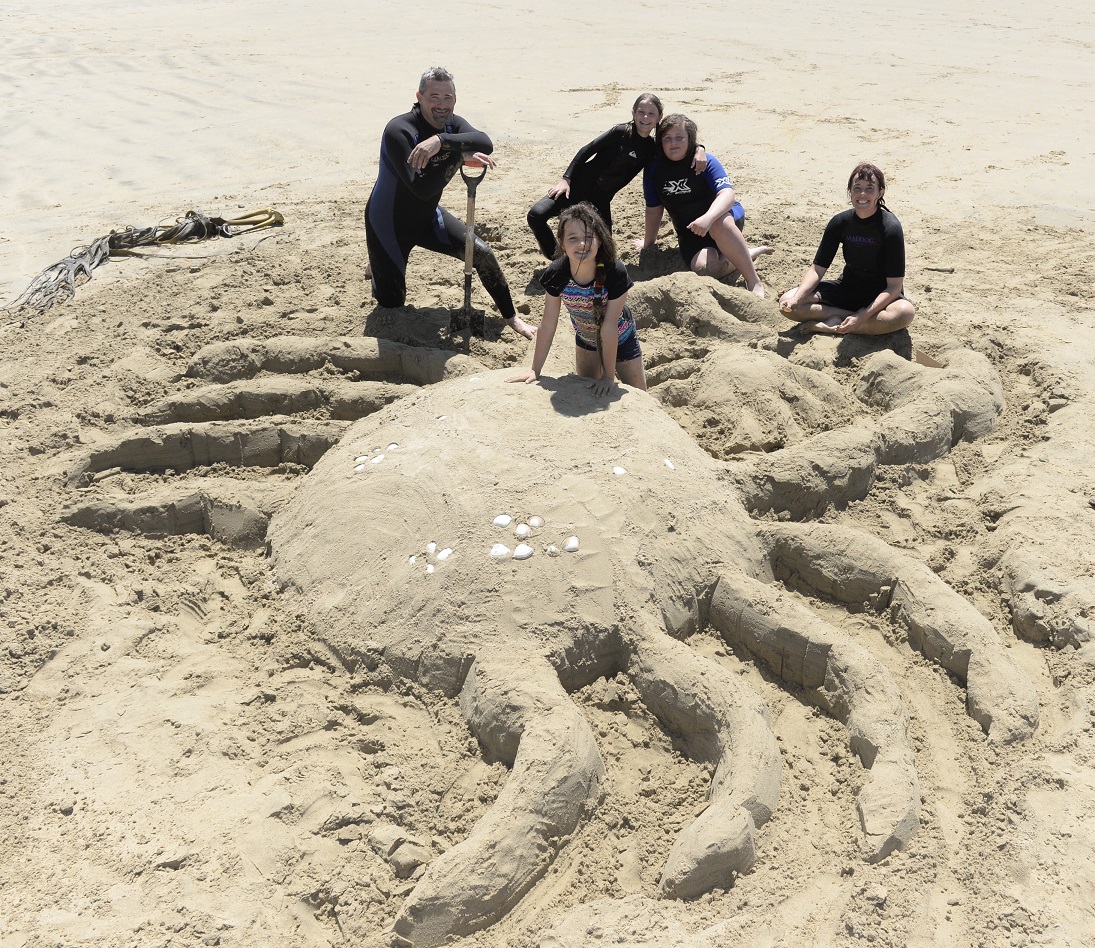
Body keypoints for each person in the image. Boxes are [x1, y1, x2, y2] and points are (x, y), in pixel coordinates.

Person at [365, 66, 535, 339]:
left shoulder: (452, 125)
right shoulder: (399, 131)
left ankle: (511, 317)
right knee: (391, 303)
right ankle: (377, 266)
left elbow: (485, 142)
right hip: (388, 226)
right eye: (434, 97)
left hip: (428, 218)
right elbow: (421, 188)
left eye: (448, 98)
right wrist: (458, 155)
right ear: (419, 97)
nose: (442, 105)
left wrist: (441, 141)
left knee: (481, 254)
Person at [526, 94, 707, 260]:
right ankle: (557, 259)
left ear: (659, 117)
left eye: (651, 113)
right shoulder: (620, 132)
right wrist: (566, 179)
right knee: (536, 216)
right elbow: (586, 150)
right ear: (633, 113)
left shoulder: (652, 148)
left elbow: (676, 145)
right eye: (641, 112)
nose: (645, 118)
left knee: (606, 254)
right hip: (576, 188)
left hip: (600, 201)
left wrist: (699, 148)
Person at [509, 203, 646, 395]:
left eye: (589, 237)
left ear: (600, 240)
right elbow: (548, 324)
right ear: (562, 243)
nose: (582, 244)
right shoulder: (556, 273)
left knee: (640, 397)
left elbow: (609, 327)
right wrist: (535, 369)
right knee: (588, 395)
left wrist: (608, 376)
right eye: (573, 238)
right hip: (586, 339)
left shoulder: (615, 272)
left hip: (621, 338)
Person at [638, 114, 769, 297]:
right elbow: (654, 209)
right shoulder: (654, 169)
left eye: (679, 138)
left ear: (690, 139)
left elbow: (728, 194)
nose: (673, 143)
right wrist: (648, 244)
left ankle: (753, 281)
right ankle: (745, 254)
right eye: (667, 138)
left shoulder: (704, 161)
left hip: (723, 219)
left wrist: (708, 217)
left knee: (718, 223)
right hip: (691, 232)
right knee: (705, 269)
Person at [779, 162, 915, 335]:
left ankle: (842, 323)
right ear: (850, 191)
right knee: (787, 301)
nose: (862, 194)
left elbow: (894, 287)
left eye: (869, 189)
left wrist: (863, 316)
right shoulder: (841, 222)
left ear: (880, 192)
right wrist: (796, 300)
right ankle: (848, 322)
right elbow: (817, 269)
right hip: (847, 288)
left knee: (904, 314)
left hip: (880, 294)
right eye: (857, 188)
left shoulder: (890, 227)